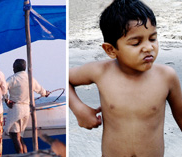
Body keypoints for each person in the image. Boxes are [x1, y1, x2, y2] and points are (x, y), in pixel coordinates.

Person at [69, 0, 182, 156]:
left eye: (153, 38)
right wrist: (79, 109)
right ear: (111, 49)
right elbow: (66, 77)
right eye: (136, 43)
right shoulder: (100, 72)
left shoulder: (166, 76)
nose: (148, 47)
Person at [4, 59, 49, 154]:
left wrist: (7, 100)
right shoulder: (30, 78)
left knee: (14, 135)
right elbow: (41, 90)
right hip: (26, 110)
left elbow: (3, 88)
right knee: (20, 136)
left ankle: (20, 156)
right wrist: (46, 93)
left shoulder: (13, 78)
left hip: (16, 109)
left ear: (15, 68)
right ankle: (26, 155)